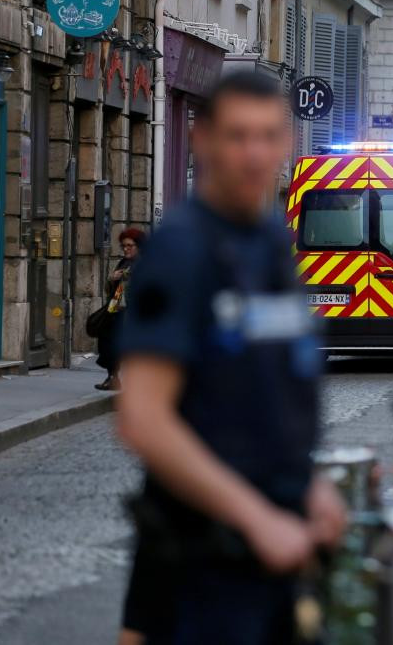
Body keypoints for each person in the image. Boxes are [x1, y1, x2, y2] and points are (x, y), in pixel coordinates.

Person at [115, 71, 347, 645]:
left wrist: (310, 486)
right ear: (203, 140)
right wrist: (255, 517)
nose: (254, 153)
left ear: (287, 143)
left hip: (276, 556)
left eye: (268, 136)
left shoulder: (271, 239)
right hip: (201, 563)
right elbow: (144, 420)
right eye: (239, 136)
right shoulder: (180, 250)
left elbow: (271, 400)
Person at [96, 228, 146, 391]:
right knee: (107, 343)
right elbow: (109, 289)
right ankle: (113, 377)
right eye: (124, 246)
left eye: (130, 246)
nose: (126, 249)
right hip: (116, 310)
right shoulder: (123, 263)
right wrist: (112, 278)